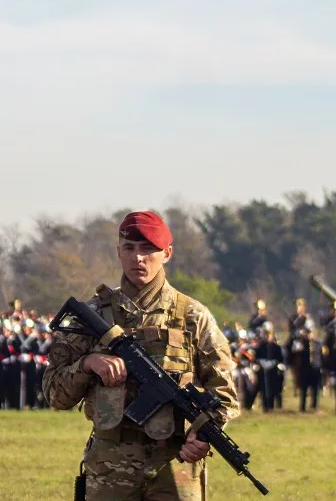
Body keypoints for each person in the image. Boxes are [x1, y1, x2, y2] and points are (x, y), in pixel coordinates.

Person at [43, 210, 239, 501]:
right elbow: (53, 393)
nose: (138, 258)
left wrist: (201, 437)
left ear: (167, 253)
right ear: (118, 252)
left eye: (148, 249)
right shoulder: (93, 316)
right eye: (129, 248)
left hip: (177, 469)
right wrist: (87, 364)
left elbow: (224, 395)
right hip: (109, 470)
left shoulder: (193, 317)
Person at [253, 322, 285, 412]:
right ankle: (265, 406)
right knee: (263, 389)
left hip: (273, 371)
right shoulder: (260, 347)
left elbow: (280, 359)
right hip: (263, 371)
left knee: (273, 389)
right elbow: (256, 358)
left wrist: (274, 363)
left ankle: (271, 406)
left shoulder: (276, 347)